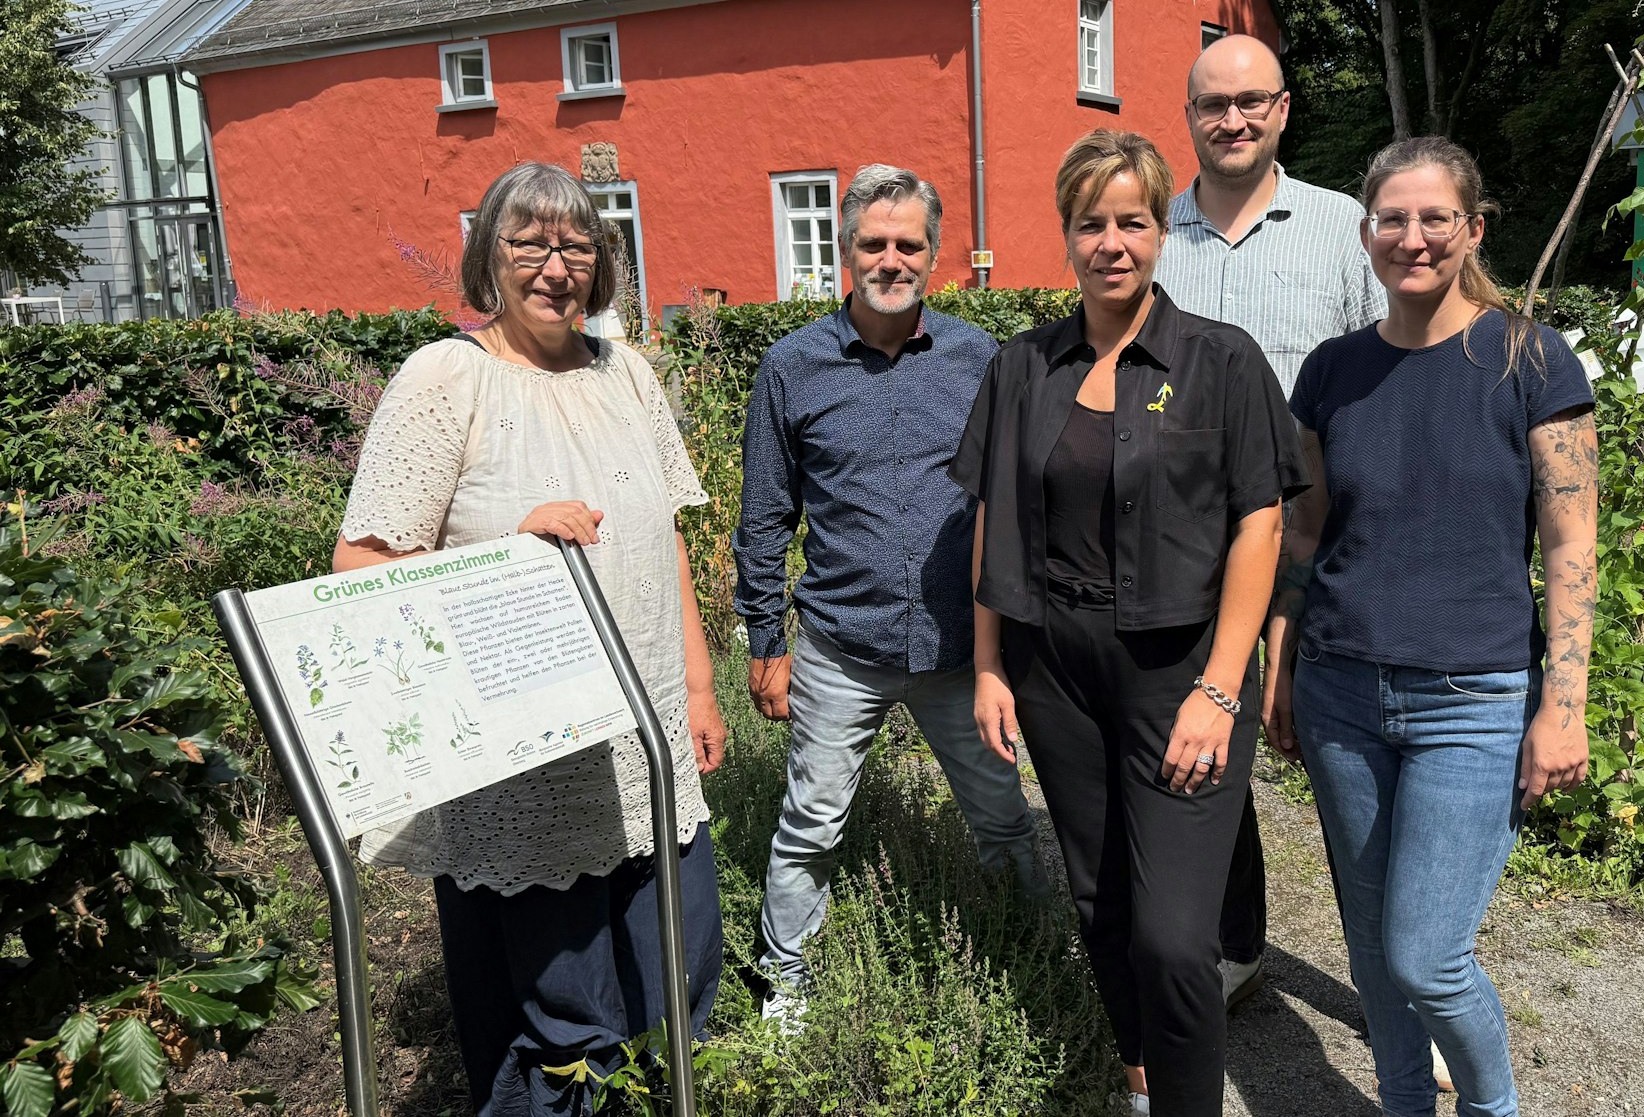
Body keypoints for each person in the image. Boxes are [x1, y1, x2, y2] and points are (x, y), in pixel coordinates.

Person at [331, 161, 726, 1116]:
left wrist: (701, 688)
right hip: (530, 772)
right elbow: (361, 565)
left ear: (602, 263)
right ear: (488, 260)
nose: (556, 267)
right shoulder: (447, 379)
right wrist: (511, 554)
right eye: (530, 245)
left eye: (577, 246)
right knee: (565, 1026)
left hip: (649, 734)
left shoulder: (627, 372)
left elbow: (664, 536)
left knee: (679, 979)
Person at [952, 129, 1308, 1117]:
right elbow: (990, 515)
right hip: (1054, 670)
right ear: (1065, 234)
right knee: (1100, 900)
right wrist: (988, 666)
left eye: (1132, 221)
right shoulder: (1022, 366)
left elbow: (1259, 522)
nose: (1112, 242)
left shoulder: (1217, 361)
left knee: (1173, 937)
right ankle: (1138, 1079)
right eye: (1090, 223)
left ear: (1161, 231)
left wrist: (1219, 688)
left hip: (1179, 672)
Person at [1265, 136, 1599, 1117]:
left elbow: (1570, 545)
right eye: (1390, 219)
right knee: (1372, 957)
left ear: (1471, 229)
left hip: (1474, 699)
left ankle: (1492, 1110)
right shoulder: (1331, 372)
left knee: (1426, 955)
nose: (1410, 238)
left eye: (1432, 218)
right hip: (1338, 696)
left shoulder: (1529, 357)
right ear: (1366, 232)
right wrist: (1280, 664)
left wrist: (1564, 706)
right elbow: (1305, 535)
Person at [734, 164, 1040, 1025]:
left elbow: (1014, 504)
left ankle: (1028, 947)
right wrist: (766, 640)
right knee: (811, 827)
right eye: (874, 242)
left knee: (1003, 816)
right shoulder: (792, 367)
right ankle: (783, 985)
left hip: (957, 650)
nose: (892, 258)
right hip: (840, 645)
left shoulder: (981, 358)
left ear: (935, 254)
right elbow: (764, 516)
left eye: (909, 243)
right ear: (846, 252)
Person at [1153, 31, 1388, 1015]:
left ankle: (1394, 989)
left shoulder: (1341, 228)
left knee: (1352, 772)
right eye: (1213, 104)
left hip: (1321, 543)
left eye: (1252, 101)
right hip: (1188, 548)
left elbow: (1391, 372)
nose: (1233, 120)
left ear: (1283, 109)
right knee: (1205, 746)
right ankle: (1238, 943)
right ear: (1191, 117)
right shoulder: (1151, 231)